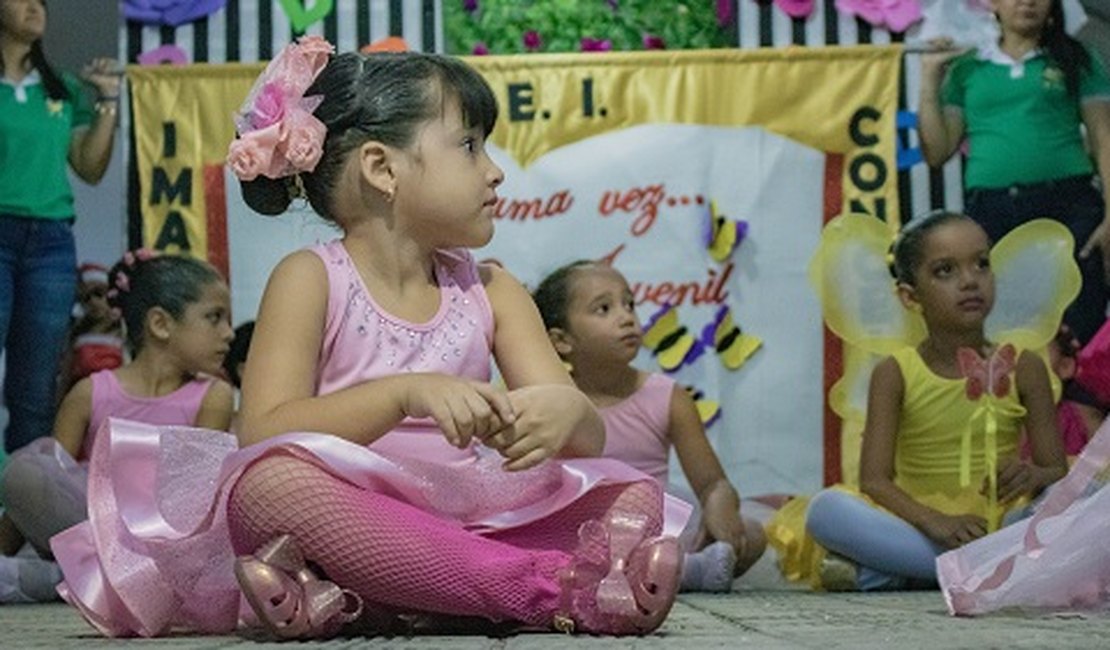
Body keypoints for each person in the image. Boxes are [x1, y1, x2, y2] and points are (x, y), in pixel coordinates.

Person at [51, 39, 685, 639]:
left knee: (634, 497)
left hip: (470, 513)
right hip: (350, 513)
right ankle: (546, 592)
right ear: (382, 167)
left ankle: (375, 602)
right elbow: (264, 431)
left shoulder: (492, 289)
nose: (493, 171)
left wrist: (564, 410)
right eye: (469, 145)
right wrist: (403, 393)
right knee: (266, 489)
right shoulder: (311, 278)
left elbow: (586, 436)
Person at [803, 211, 1069, 591]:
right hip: (920, 521)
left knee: (1088, 499)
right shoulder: (895, 372)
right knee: (825, 513)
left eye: (981, 264)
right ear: (910, 297)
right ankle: (987, 567)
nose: (970, 281)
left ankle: (895, 571)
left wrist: (1032, 474)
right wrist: (934, 522)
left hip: (1003, 519)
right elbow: (875, 481)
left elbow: (1056, 469)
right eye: (945, 271)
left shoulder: (1024, 365)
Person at [0, 250, 234, 601]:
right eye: (214, 318)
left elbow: (192, 500)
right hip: (92, 533)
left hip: (163, 545)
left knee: (54, 575)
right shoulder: (90, 393)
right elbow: (52, 485)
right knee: (26, 472)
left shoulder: (214, 395)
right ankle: (93, 577)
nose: (229, 334)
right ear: (160, 324)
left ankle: (89, 580)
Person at [533, 260, 767, 593]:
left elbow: (712, 483)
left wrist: (720, 508)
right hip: (578, 530)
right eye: (604, 309)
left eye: (629, 304)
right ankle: (680, 573)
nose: (626, 317)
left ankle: (663, 568)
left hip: (655, 524)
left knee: (753, 535)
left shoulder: (667, 397)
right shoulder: (551, 399)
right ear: (561, 340)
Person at [917, 0, 1110, 345]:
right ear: (992, 3)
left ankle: (1080, 400)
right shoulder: (967, 67)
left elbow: (1104, 139)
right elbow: (937, 151)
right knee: (1001, 332)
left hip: (1070, 209)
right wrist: (930, 79)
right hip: (990, 213)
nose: (1028, 1)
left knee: (1080, 324)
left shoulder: (1078, 58)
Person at [0, 0, 121, 452]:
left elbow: (90, 167)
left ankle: (18, 513)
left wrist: (107, 98)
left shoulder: (61, 89)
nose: (36, 7)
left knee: (35, 390)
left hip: (51, 242)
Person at [58, 262, 125, 395]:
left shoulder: (123, 331)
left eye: (99, 294)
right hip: (81, 397)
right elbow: (66, 373)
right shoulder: (76, 334)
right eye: (86, 298)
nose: (93, 302)